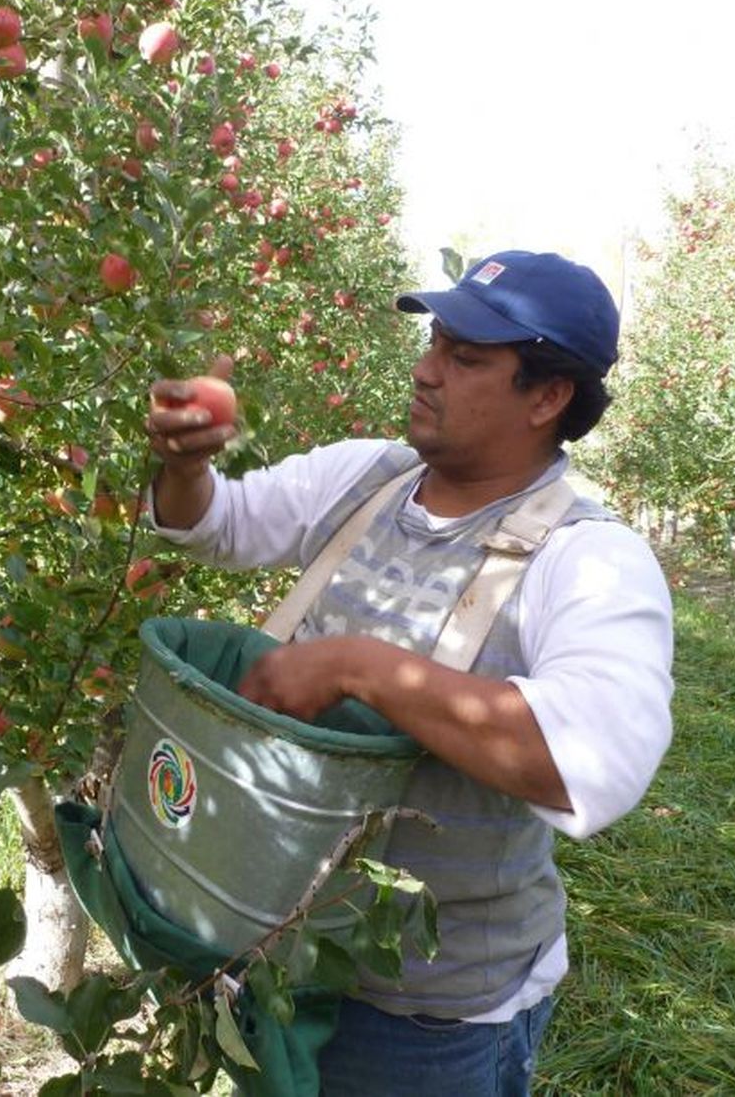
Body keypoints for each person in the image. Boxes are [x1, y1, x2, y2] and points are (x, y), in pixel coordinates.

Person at [144, 250, 674, 1096]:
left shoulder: (590, 559)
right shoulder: (367, 477)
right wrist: (187, 466)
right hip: (275, 959)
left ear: (547, 396)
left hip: (425, 1023)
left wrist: (361, 666)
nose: (426, 371)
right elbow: (215, 525)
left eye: (465, 359)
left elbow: (596, 763)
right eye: (434, 343)